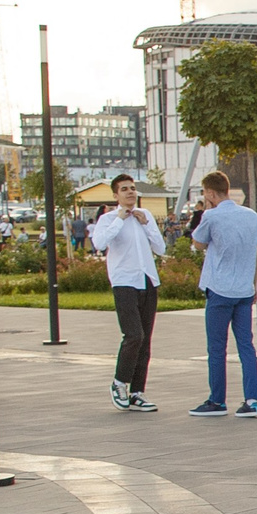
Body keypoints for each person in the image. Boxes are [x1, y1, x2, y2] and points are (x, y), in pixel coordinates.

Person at [187, 170, 257, 420]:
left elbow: (198, 243)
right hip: (244, 289)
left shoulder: (212, 215)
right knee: (246, 346)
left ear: (209, 193)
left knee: (217, 348)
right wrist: (254, 284)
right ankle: (252, 401)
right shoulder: (251, 216)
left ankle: (217, 400)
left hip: (219, 289)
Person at [91, 172, 166, 413]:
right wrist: (119, 220)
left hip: (147, 281)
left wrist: (147, 225)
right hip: (124, 281)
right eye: (124, 189)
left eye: (132, 188)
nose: (130, 192)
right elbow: (100, 243)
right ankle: (119, 383)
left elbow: (160, 247)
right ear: (116, 195)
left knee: (145, 340)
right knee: (133, 335)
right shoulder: (108, 219)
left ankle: (137, 393)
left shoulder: (145, 217)